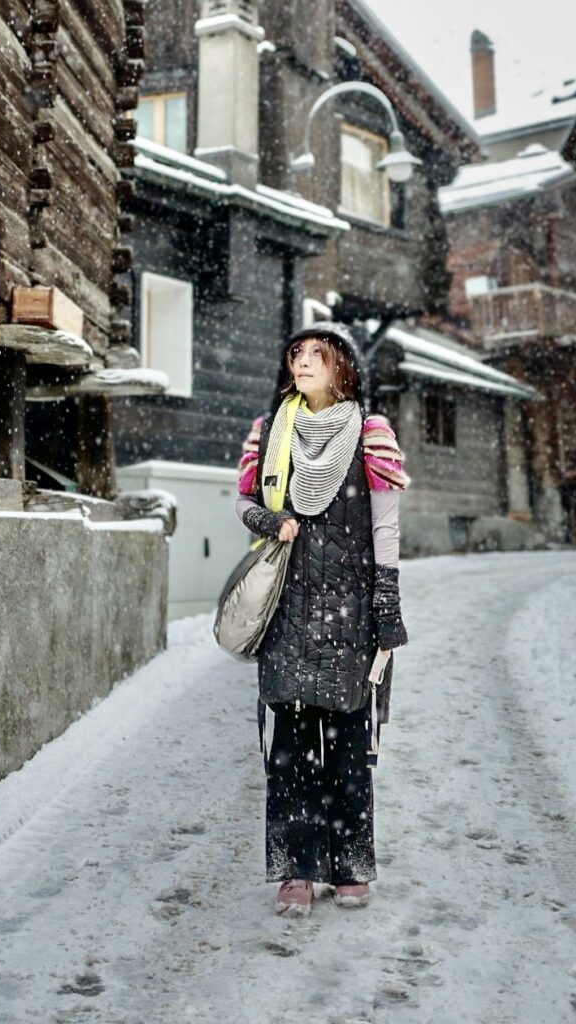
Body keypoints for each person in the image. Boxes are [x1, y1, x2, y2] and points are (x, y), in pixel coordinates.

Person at [234, 322, 409, 917]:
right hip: (288, 606)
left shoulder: (371, 434)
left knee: (348, 740)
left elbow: (385, 528)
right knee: (291, 743)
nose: (303, 361)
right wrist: (267, 523)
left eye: (318, 354)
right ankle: (297, 871)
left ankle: (350, 866)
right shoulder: (269, 431)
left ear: (344, 370)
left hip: (351, 609)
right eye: (296, 353)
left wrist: (387, 606)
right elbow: (246, 501)